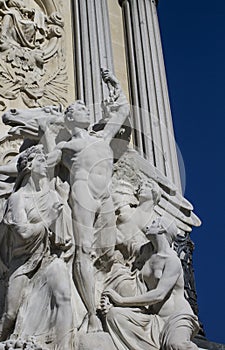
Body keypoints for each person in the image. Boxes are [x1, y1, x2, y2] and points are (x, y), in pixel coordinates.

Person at [53, 69, 130, 332]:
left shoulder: (102, 137)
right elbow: (41, 164)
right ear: (69, 119)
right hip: (83, 194)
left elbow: (122, 111)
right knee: (83, 249)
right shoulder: (66, 147)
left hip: (105, 195)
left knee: (108, 252)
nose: (86, 111)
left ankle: (113, 303)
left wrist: (115, 84)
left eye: (86, 109)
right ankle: (90, 313)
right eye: (79, 109)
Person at [0, 146, 73, 349]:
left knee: (63, 295)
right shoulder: (17, 198)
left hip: (47, 259)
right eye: (41, 160)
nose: (45, 164)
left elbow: (63, 238)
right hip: (21, 265)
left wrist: (64, 206)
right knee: (10, 315)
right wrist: (50, 219)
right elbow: (24, 233)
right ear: (29, 165)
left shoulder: (52, 196)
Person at [102, 217, 199, 350]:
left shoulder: (172, 261)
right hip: (154, 318)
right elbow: (124, 242)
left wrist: (122, 301)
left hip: (176, 318)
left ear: (162, 229)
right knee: (114, 316)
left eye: (154, 223)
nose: (149, 225)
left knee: (176, 345)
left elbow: (159, 294)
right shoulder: (146, 252)